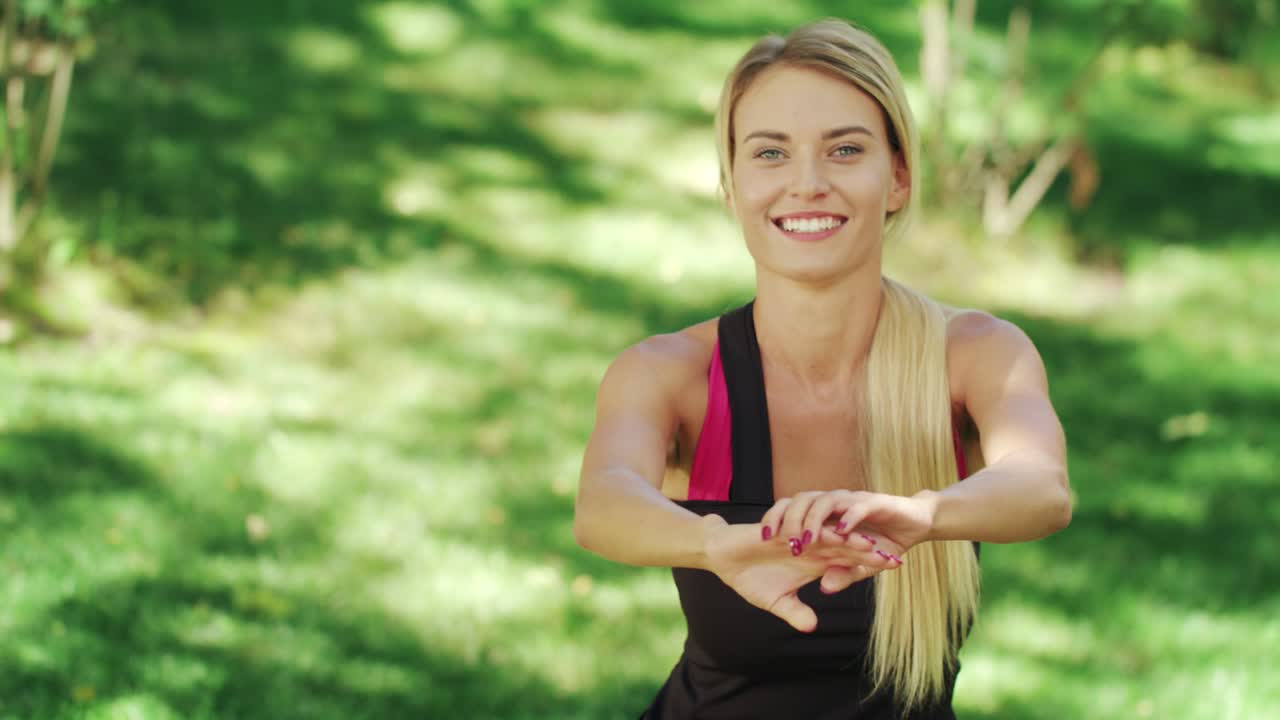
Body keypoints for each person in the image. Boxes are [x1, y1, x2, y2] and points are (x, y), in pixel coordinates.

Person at [573, 17, 1071, 720]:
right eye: (770, 154)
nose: (806, 184)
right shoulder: (669, 374)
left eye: (844, 149)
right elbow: (602, 506)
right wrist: (719, 545)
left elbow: (1043, 487)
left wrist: (921, 514)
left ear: (896, 177)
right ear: (731, 186)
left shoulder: (976, 354)